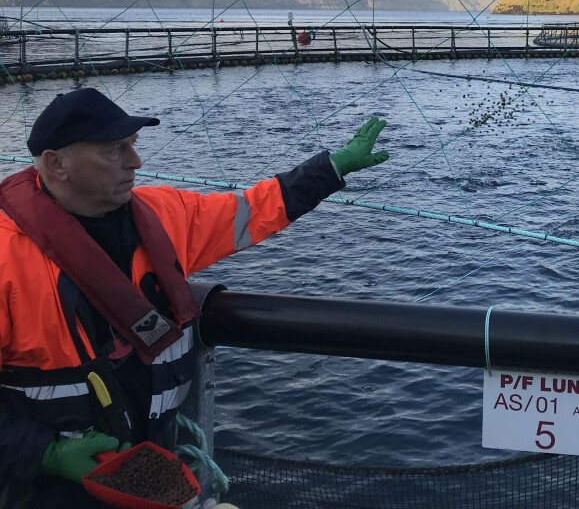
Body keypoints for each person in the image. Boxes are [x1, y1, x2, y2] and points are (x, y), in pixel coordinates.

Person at [0, 87, 389, 509]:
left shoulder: (164, 214)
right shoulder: (6, 255)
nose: (136, 162)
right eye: (114, 151)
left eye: (132, 145)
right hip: (44, 487)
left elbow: (252, 211)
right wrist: (46, 454)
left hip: (153, 470)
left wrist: (332, 168)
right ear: (57, 163)